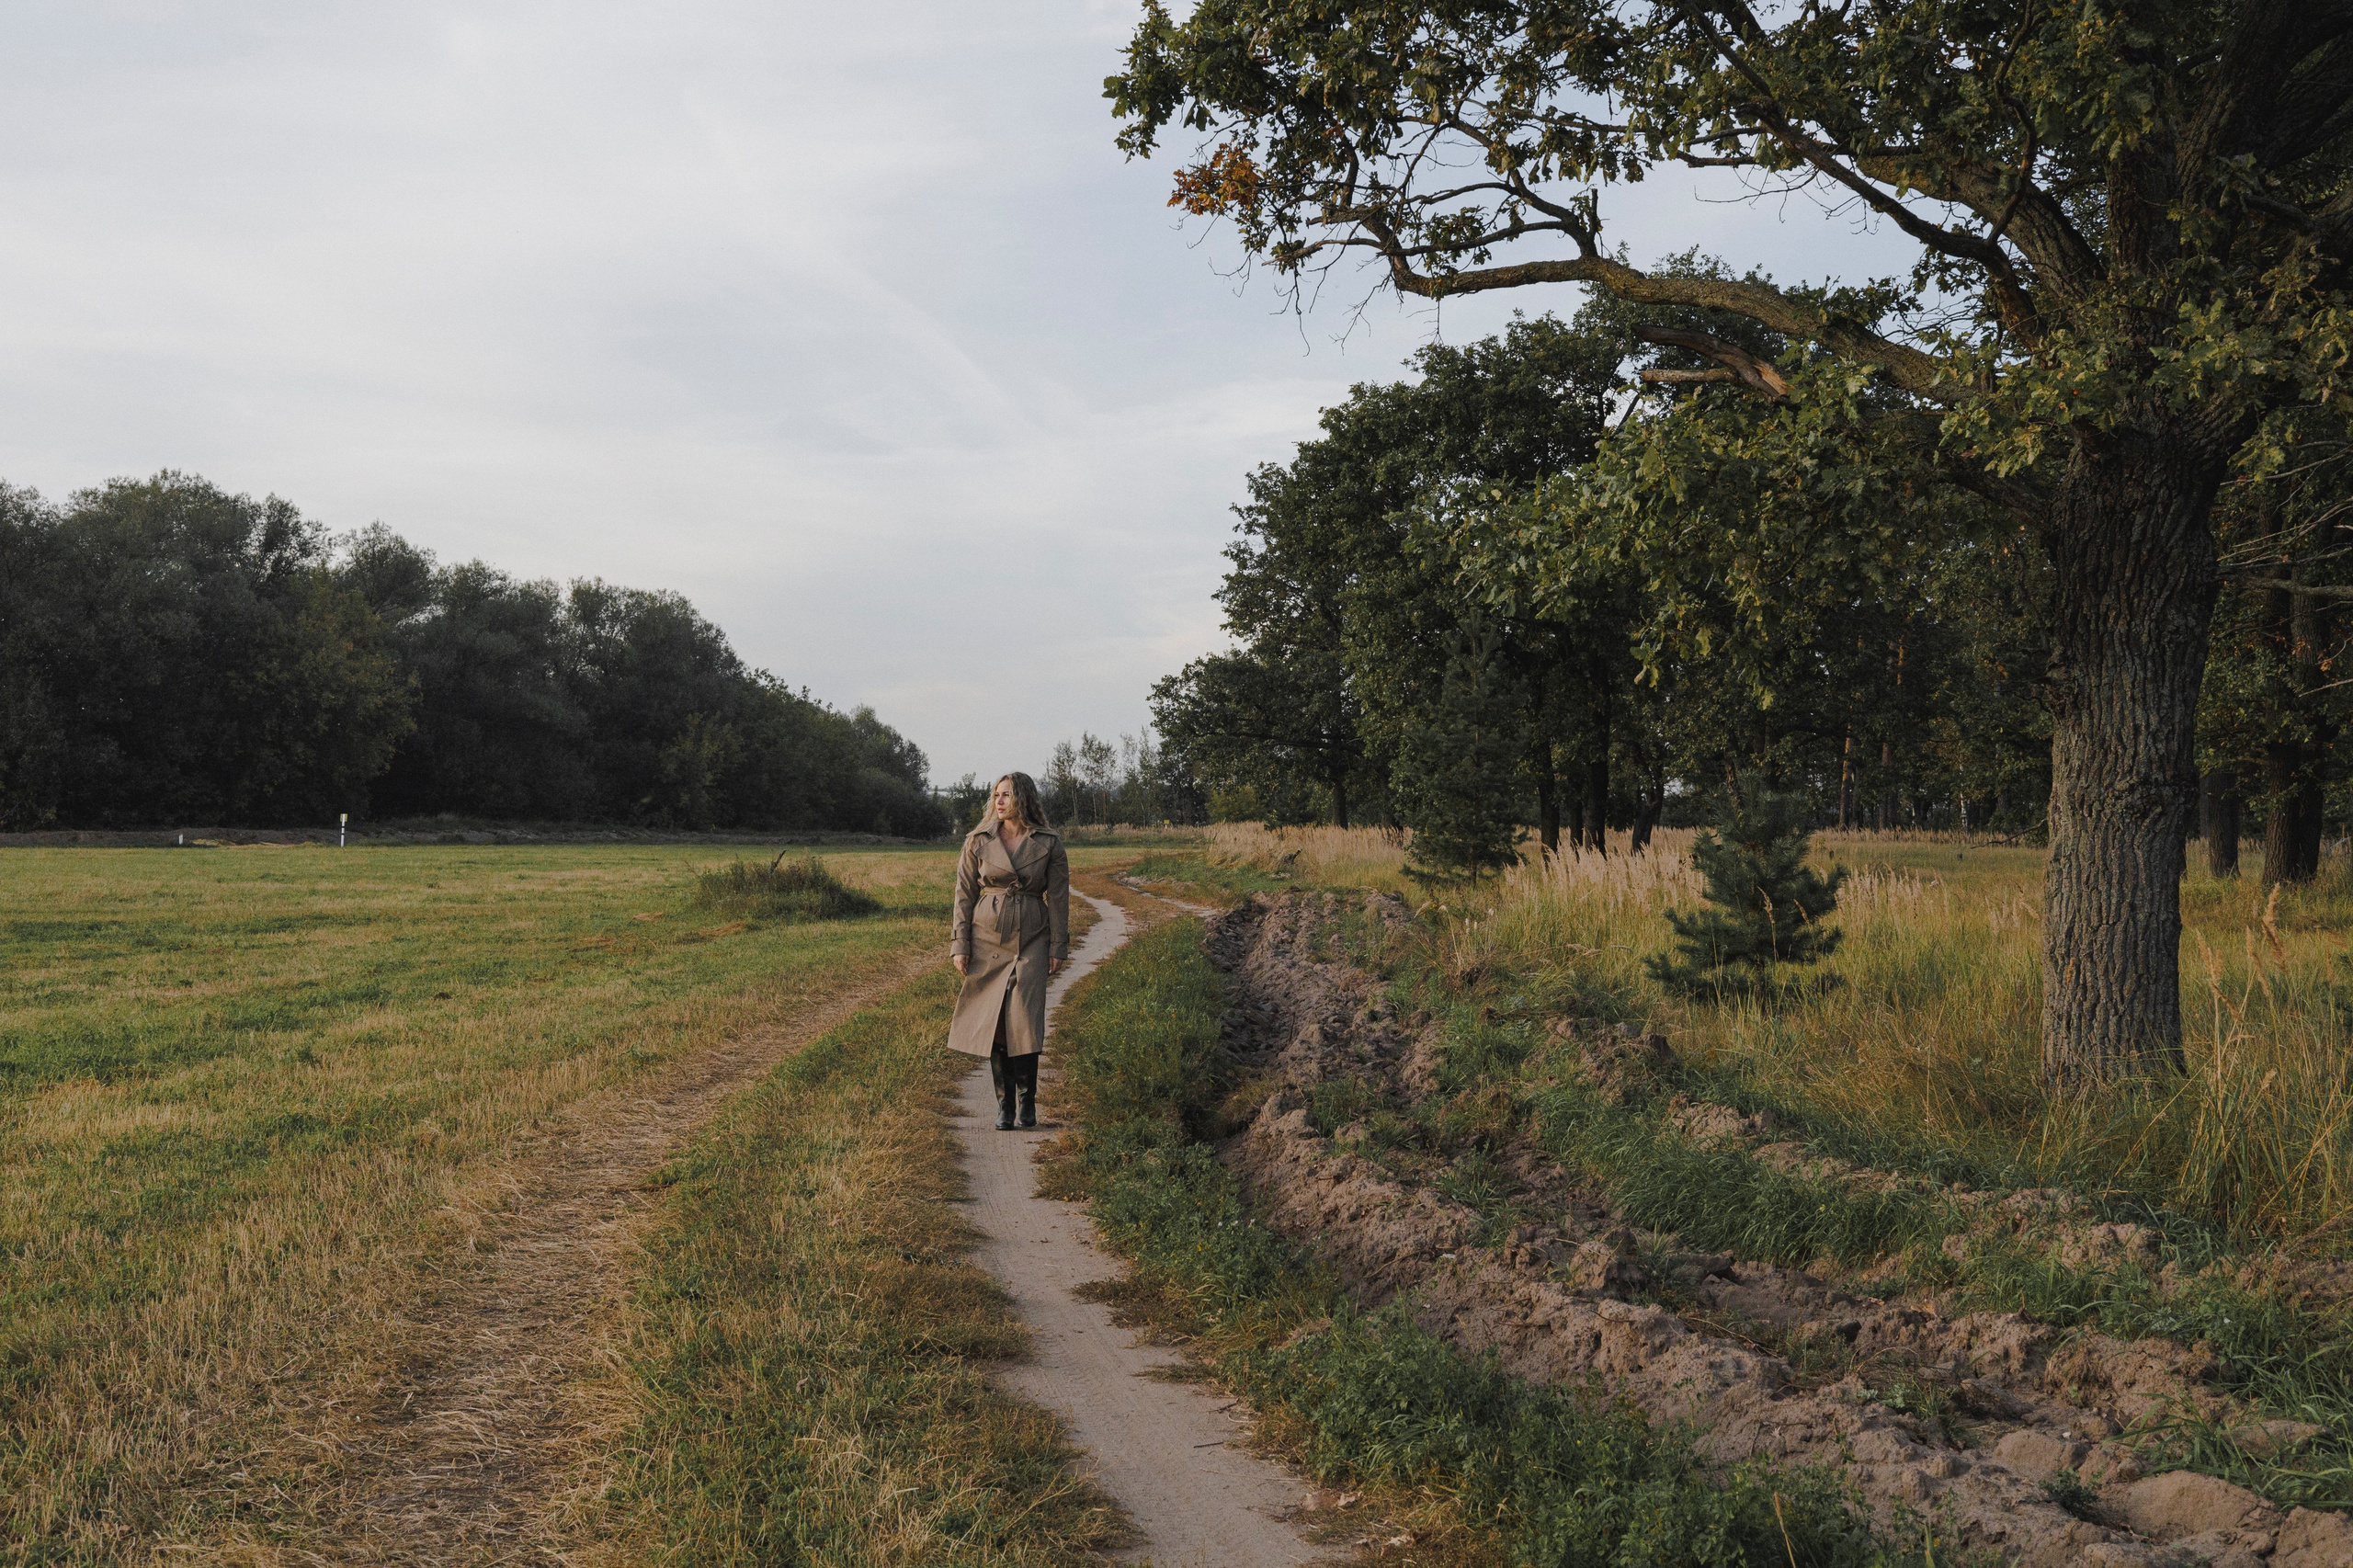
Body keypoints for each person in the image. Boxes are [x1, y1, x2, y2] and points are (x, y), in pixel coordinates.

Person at [948, 771, 1070, 1130]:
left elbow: (1059, 898)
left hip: (1033, 937)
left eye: (1006, 795)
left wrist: (1058, 946)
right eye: (996, 795)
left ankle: (1028, 1101)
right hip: (987, 938)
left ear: (1023, 799)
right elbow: (963, 895)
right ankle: (1005, 1105)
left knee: (1025, 1019)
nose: (998, 802)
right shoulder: (978, 840)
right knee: (996, 1021)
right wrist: (960, 944)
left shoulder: (1049, 843)